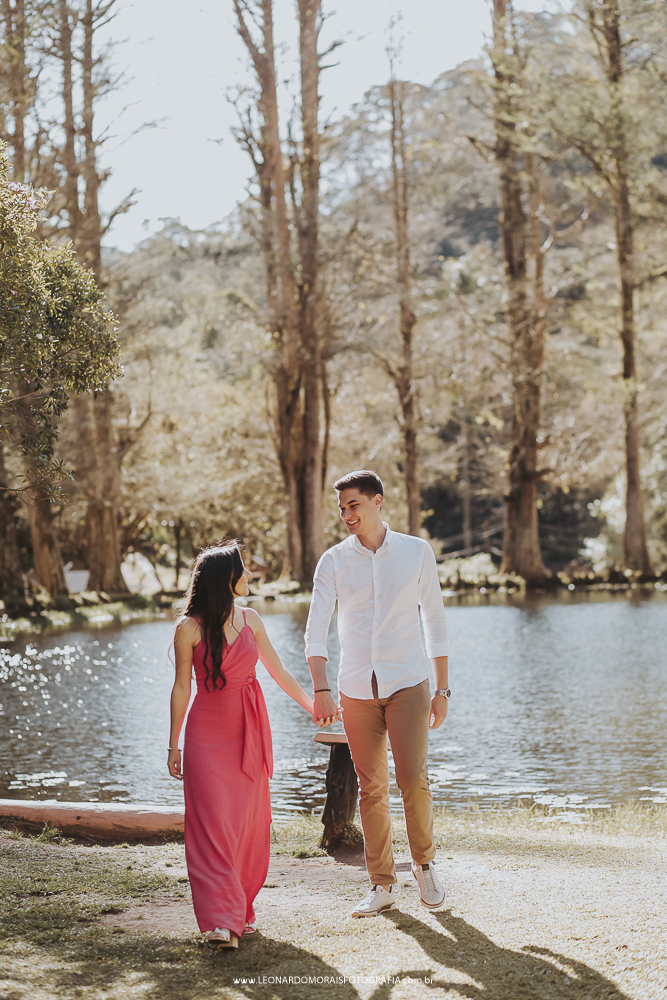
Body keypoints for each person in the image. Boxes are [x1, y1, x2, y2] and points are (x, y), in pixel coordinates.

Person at [305, 470, 450, 918]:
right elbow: (315, 631)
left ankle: (424, 865)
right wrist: (322, 690)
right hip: (355, 691)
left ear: (378, 502)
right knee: (372, 789)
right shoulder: (333, 561)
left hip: (408, 683)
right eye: (342, 507)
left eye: (355, 505)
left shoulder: (415, 552)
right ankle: (381, 883)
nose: (347, 514)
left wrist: (442, 687)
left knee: (413, 781)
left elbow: (435, 621)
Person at [168, 542, 313, 948]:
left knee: (248, 825)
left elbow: (278, 670)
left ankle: (239, 910)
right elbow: (182, 688)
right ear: (224, 579)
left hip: (248, 730)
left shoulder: (251, 620)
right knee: (211, 826)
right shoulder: (189, 628)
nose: (250, 576)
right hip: (205, 734)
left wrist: (312, 706)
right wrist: (173, 744)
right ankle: (221, 922)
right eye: (243, 571)